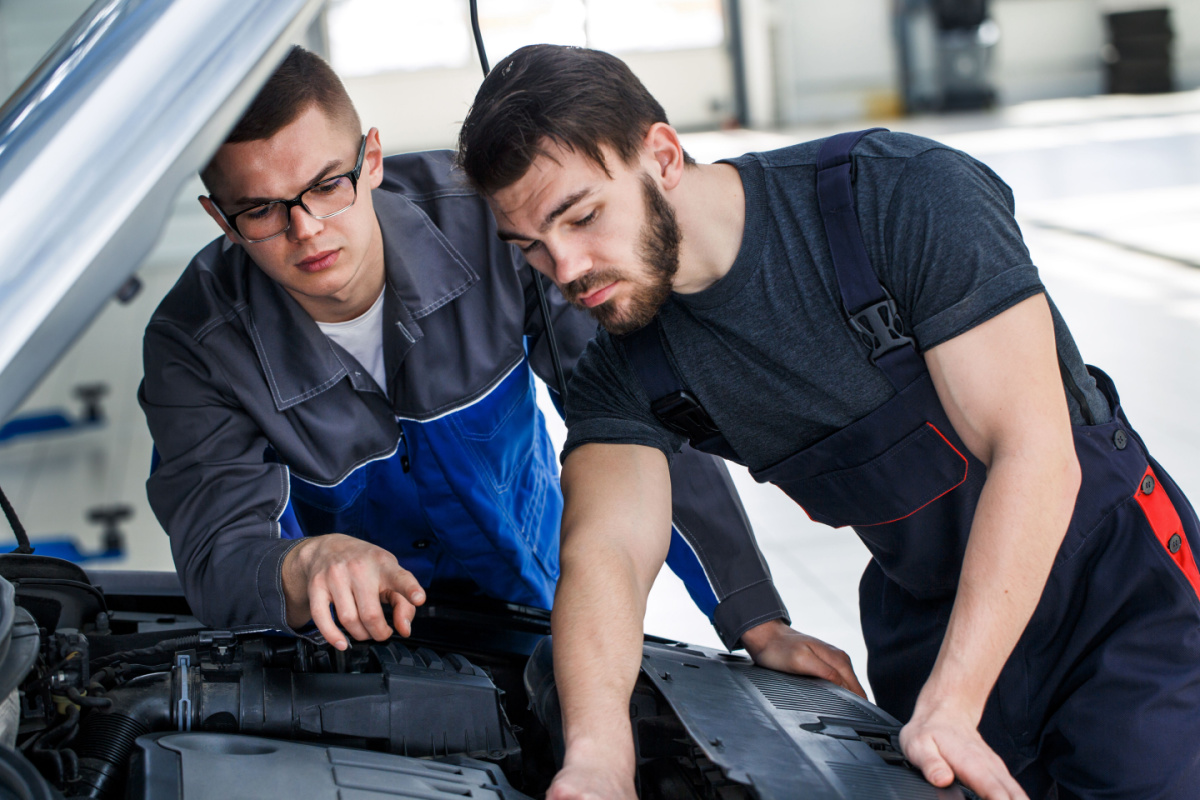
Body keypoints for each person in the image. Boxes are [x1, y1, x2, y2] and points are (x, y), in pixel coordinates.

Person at [455, 43, 1200, 800]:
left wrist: (953, 701)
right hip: (928, 620)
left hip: (1110, 597)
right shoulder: (625, 367)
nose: (567, 269)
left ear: (664, 156)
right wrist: (597, 758)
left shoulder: (898, 196)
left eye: (582, 217)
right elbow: (607, 553)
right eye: (532, 248)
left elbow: (1033, 453)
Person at [138, 46, 796, 659]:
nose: (306, 229)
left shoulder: (497, 225)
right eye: (260, 210)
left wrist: (754, 619)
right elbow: (217, 556)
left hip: (532, 592)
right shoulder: (194, 346)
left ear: (371, 159)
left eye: (328, 185)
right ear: (220, 219)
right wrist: (300, 564)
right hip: (348, 654)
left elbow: (640, 416)